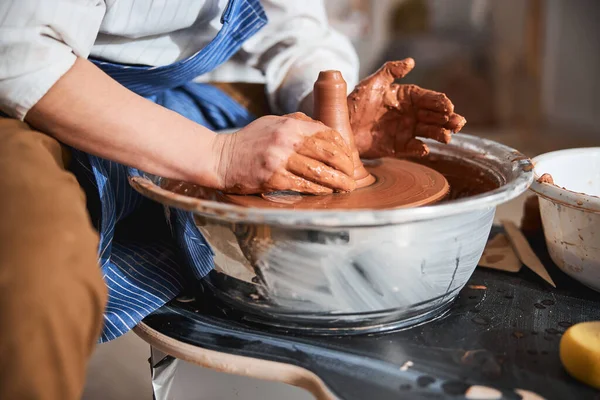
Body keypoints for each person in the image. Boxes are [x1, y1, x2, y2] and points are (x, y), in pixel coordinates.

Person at [0, 0, 464, 398]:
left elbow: (295, 29)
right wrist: (218, 155)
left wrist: (329, 111)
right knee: (39, 270)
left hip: (161, 90)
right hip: (27, 92)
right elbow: (19, 51)